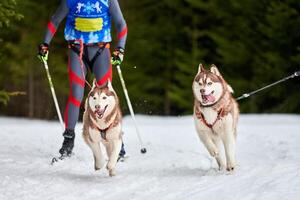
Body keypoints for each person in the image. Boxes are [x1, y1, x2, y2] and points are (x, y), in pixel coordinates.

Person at [38, 0, 127, 159]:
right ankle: (68, 141)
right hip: (76, 50)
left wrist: (120, 49)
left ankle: (116, 141)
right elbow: (55, 20)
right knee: (76, 96)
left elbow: (121, 24)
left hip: (101, 51)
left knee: (106, 97)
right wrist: (45, 44)